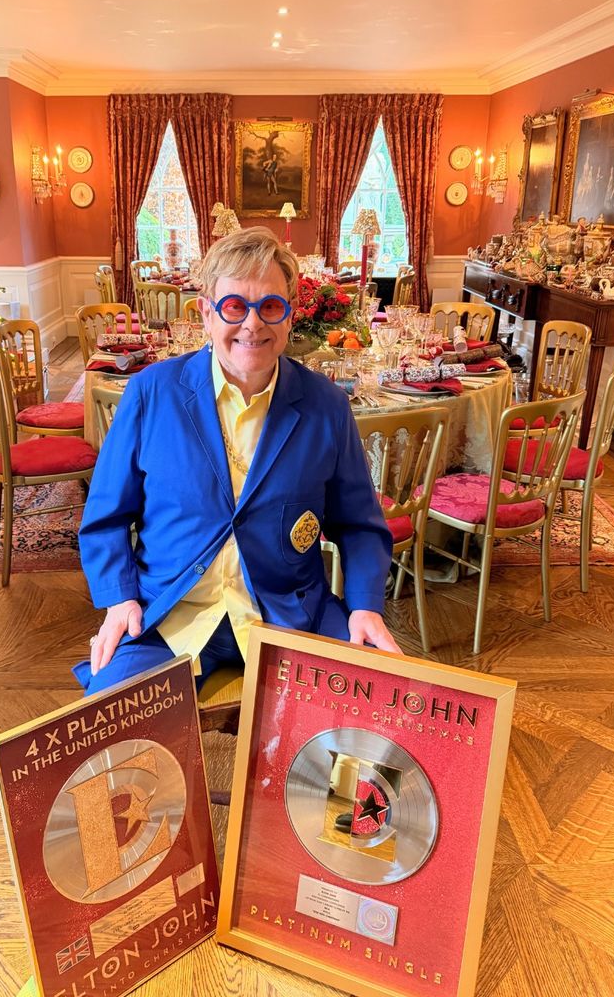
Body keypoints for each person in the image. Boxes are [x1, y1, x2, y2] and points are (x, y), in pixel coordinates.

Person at [75, 227, 399, 695]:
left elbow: (360, 525)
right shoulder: (152, 393)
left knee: (369, 718)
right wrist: (119, 597)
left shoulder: (326, 405)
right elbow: (105, 518)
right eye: (233, 307)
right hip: (166, 615)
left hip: (289, 613)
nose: (252, 324)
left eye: (270, 306)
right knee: (109, 731)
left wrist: (366, 605)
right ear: (207, 313)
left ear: (290, 318)